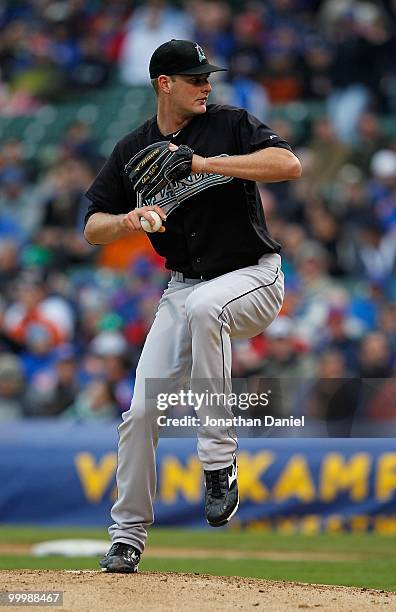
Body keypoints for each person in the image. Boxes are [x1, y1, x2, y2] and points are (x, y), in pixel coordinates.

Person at [84, 39, 301, 573]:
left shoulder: (229, 124)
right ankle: (127, 536)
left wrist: (203, 162)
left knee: (209, 307)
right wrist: (128, 221)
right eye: (196, 78)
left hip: (253, 277)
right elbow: (92, 227)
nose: (207, 85)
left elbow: (288, 164)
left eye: (208, 77)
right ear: (165, 84)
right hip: (183, 288)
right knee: (138, 415)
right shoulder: (133, 148)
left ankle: (219, 463)